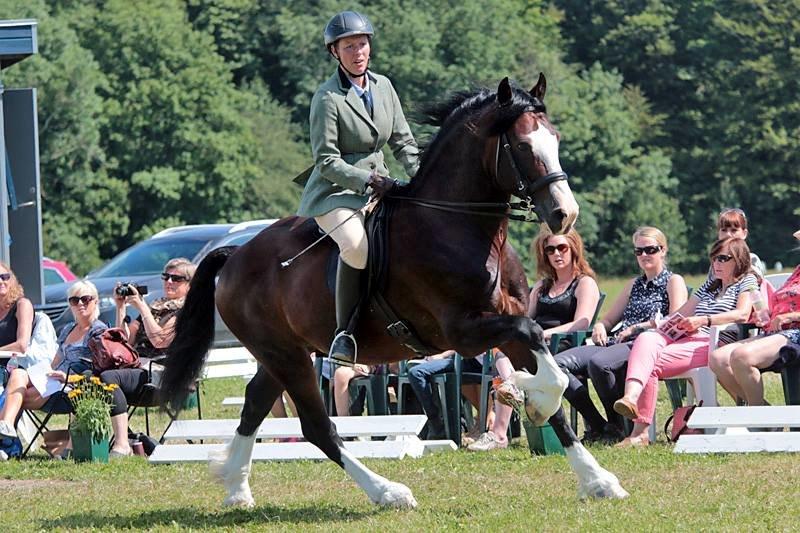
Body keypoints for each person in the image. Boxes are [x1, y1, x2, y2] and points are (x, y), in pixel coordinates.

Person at [296, 10, 420, 366]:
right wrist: (367, 180)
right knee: (356, 246)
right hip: (335, 191)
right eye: (349, 46)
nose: (358, 52)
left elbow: (403, 142)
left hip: (381, 184)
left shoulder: (384, 86)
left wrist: (422, 178)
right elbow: (326, 161)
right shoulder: (327, 98)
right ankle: (345, 333)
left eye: (362, 44)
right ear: (335, 52)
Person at [613, 237, 758, 447]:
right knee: (646, 340)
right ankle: (631, 398)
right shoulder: (710, 285)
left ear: (739, 259)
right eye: (714, 258)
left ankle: (640, 432)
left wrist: (704, 320)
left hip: (717, 343)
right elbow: (680, 313)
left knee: (649, 364)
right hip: (692, 339)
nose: (716, 263)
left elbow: (743, 314)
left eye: (723, 258)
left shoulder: (747, 281)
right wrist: (650, 326)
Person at [468, 226, 600, 451]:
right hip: (535, 345)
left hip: (561, 345)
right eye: (550, 250)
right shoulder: (541, 286)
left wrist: (543, 335)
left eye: (562, 248)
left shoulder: (584, 283)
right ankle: (506, 408)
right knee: (504, 347)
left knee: (508, 356)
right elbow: (526, 320)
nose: (556, 254)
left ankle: (500, 429)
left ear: (574, 249)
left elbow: (582, 323)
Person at [554, 227, 687, 443]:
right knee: (557, 365)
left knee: (599, 363)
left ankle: (617, 425)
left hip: (645, 345)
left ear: (663, 250)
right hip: (617, 341)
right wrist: (600, 326)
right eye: (639, 251)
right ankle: (600, 425)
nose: (644, 255)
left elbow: (675, 318)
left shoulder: (673, 281)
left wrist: (638, 328)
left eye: (650, 250)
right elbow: (609, 320)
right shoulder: (633, 284)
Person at [99, 258, 196, 457]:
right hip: (140, 370)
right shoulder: (156, 307)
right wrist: (121, 308)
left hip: (165, 376)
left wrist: (142, 307)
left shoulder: (187, 311)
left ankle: (122, 444)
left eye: (176, 278)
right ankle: (119, 438)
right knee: (91, 375)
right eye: (166, 277)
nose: (169, 282)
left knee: (109, 379)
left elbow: (160, 341)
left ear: (190, 284)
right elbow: (125, 339)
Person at [0, 280, 106, 443]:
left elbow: (98, 368)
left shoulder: (98, 331)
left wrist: (65, 378)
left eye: (85, 299)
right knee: (19, 374)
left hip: (70, 385)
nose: (80, 304)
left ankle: (6, 442)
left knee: (15, 396)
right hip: (52, 380)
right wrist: (39, 376)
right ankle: (6, 426)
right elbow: (54, 361)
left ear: (95, 301)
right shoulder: (68, 329)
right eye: (74, 300)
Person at [708, 229, 800, 406]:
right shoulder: (797, 272)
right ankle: (764, 414)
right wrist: (766, 314)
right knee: (718, 359)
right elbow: (783, 302)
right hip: (776, 333)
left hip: (795, 335)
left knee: (741, 356)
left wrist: (789, 317)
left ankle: (758, 419)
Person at [0, 262, 34, 384]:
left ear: (11, 280)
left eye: (5, 277)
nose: (1, 281)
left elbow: (21, 346)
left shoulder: (22, 305)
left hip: (13, 370)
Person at [715, 208, 765, 276]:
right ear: (718, 234)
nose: (728, 234)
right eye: (724, 230)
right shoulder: (717, 261)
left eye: (734, 230)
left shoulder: (751, 260)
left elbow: (754, 284)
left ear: (744, 233)